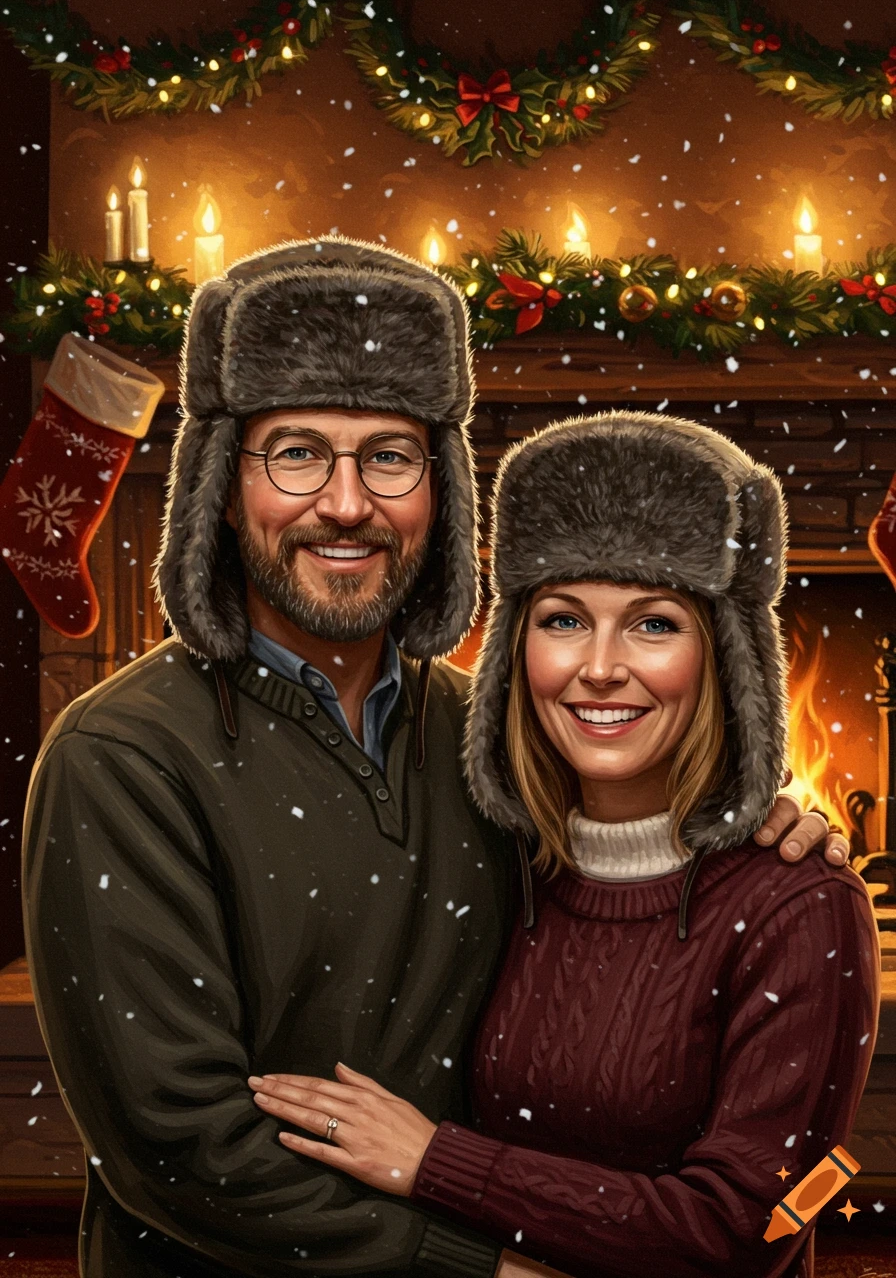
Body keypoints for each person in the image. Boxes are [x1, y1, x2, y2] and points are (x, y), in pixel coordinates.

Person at [23, 239, 842, 1278]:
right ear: (223, 489)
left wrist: (758, 826)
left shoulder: (494, 741)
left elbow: (631, 890)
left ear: (438, 490)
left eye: (389, 456)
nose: (347, 502)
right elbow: (178, 1142)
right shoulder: (123, 756)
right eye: (297, 451)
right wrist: (477, 1267)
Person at [246, 412, 880, 1278]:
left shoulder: (799, 901)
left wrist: (438, 1161)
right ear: (517, 651)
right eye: (563, 620)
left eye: (655, 624)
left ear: (722, 658)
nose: (601, 667)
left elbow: (746, 1230)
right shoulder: (504, 861)